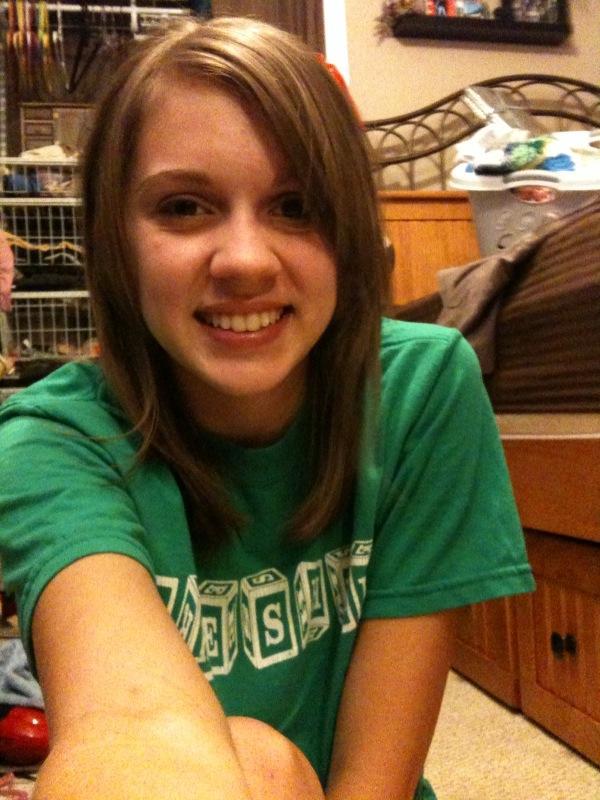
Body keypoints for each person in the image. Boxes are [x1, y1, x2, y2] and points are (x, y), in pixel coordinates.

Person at [0, 15, 535, 800]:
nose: (246, 261)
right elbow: (130, 725)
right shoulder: (49, 441)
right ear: (115, 240)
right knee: (248, 756)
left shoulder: (421, 391)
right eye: (185, 207)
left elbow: (374, 779)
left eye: (296, 206)